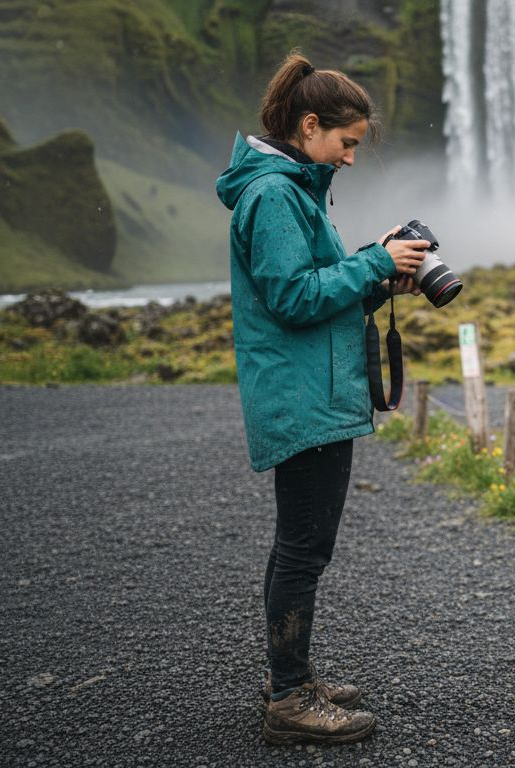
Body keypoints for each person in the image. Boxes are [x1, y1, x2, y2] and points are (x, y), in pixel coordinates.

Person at [215, 50, 430, 746]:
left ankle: (293, 676)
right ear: (310, 126)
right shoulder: (275, 194)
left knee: (299, 546)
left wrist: (376, 279)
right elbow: (292, 296)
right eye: (348, 143)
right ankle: (289, 700)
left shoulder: (291, 190)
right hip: (301, 397)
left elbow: (315, 287)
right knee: (304, 549)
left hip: (310, 391)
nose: (351, 157)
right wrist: (372, 260)